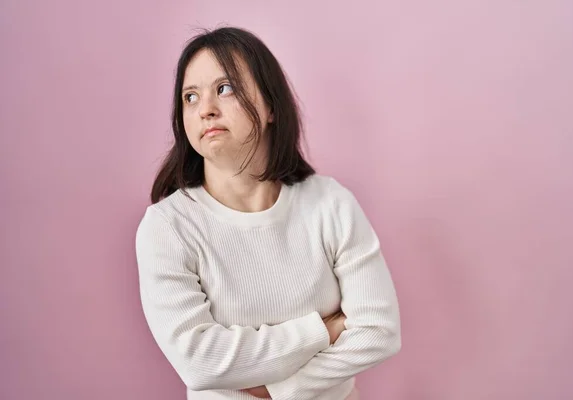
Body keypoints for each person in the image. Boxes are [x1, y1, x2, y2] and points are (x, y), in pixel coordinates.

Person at [135, 26, 401, 400]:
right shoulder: (167, 227)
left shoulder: (330, 203)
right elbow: (199, 362)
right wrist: (323, 332)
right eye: (190, 97)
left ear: (271, 106)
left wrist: (280, 388)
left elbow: (379, 331)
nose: (205, 109)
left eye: (224, 89)